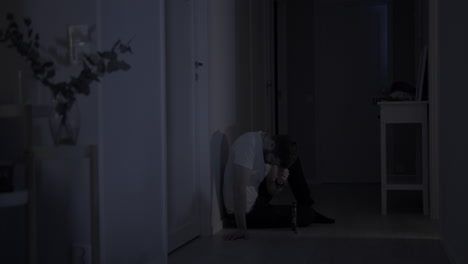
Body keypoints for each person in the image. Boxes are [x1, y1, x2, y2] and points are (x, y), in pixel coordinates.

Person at [223, 131, 334, 240]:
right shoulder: (248, 145)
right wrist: (242, 229)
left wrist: (280, 182)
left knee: (293, 157)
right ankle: (307, 211)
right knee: (307, 215)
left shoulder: (267, 146)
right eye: (272, 161)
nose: (271, 164)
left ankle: (306, 204)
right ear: (272, 144)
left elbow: (271, 189)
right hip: (244, 211)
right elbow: (239, 189)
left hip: (255, 196)